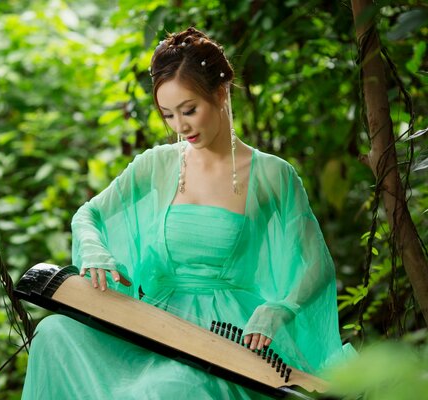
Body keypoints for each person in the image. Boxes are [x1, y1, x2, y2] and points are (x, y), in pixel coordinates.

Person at [21, 27, 353, 399]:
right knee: (53, 334)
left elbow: (316, 265)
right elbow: (88, 215)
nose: (180, 127)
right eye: (168, 115)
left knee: (168, 388)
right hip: (155, 321)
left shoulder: (273, 174)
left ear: (221, 91)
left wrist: (280, 308)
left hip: (226, 332)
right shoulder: (157, 165)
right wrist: (95, 249)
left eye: (189, 110)